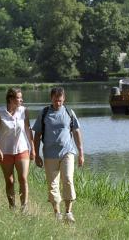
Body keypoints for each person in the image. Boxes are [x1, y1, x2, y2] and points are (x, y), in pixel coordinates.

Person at [32, 87, 84, 222]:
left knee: (67, 179)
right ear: (51, 98)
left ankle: (68, 212)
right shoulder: (44, 113)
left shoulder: (69, 112)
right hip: (49, 154)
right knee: (52, 184)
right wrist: (36, 154)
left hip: (67, 152)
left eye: (60, 100)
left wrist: (81, 153)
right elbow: (37, 135)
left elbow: (77, 132)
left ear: (64, 99)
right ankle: (57, 213)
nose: (58, 103)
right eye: (55, 100)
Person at [0, 87, 35, 212]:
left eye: (21, 97)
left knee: (23, 179)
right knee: (10, 181)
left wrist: (33, 148)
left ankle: (24, 207)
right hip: (5, 151)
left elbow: (27, 129)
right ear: (11, 99)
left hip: (22, 149)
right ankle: (12, 207)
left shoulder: (23, 111)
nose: (22, 100)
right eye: (19, 98)